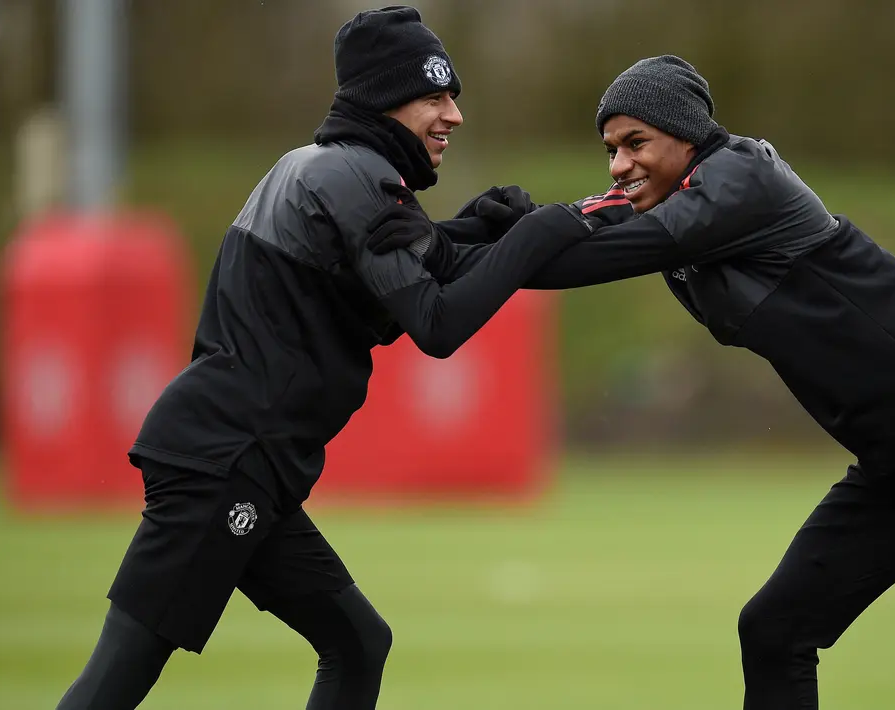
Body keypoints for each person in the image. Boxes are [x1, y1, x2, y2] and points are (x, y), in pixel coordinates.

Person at [373, 55, 895, 709]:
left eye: (634, 143)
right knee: (775, 630)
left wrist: (528, 232)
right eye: (609, 150)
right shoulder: (670, 201)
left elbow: (594, 251)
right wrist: (440, 241)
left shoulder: (741, 182)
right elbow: (564, 248)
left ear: (687, 138)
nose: (619, 165)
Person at [53, 7, 588, 709]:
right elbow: (434, 320)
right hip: (227, 461)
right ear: (383, 101)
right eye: (434, 96)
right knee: (117, 678)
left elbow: (400, 270)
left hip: (241, 461)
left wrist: (473, 225)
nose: (453, 115)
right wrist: (541, 231)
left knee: (358, 643)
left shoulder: (324, 170)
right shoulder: (354, 182)